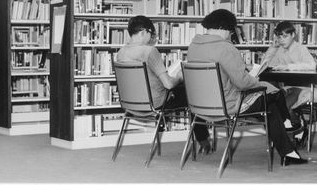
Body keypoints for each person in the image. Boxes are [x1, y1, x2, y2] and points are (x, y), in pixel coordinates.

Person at [186, 9, 308, 166]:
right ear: (224, 28)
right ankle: (287, 130)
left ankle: (289, 148)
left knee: (270, 105)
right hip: (230, 104)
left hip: (200, 106)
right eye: (231, 32)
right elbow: (243, 83)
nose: (231, 36)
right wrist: (257, 82)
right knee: (272, 93)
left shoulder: (193, 46)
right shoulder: (225, 48)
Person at [116, 15, 211, 153]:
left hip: (131, 103)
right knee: (194, 93)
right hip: (156, 102)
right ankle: (203, 141)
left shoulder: (121, 52)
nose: (152, 38)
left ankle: (203, 141)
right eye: (151, 34)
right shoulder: (149, 51)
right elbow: (168, 85)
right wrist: (179, 76)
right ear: (143, 32)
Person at [264, 21, 316, 131]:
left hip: (303, 87)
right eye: (279, 37)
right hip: (287, 87)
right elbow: (266, 64)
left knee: (285, 105)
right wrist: (272, 48)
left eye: (285, 36)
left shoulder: (301, 49)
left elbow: (312, 65)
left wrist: (288, 66)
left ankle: (296, 127)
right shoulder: (280, 50)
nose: (281, 40)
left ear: (293, 35)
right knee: (273, 104)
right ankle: (296, 125)